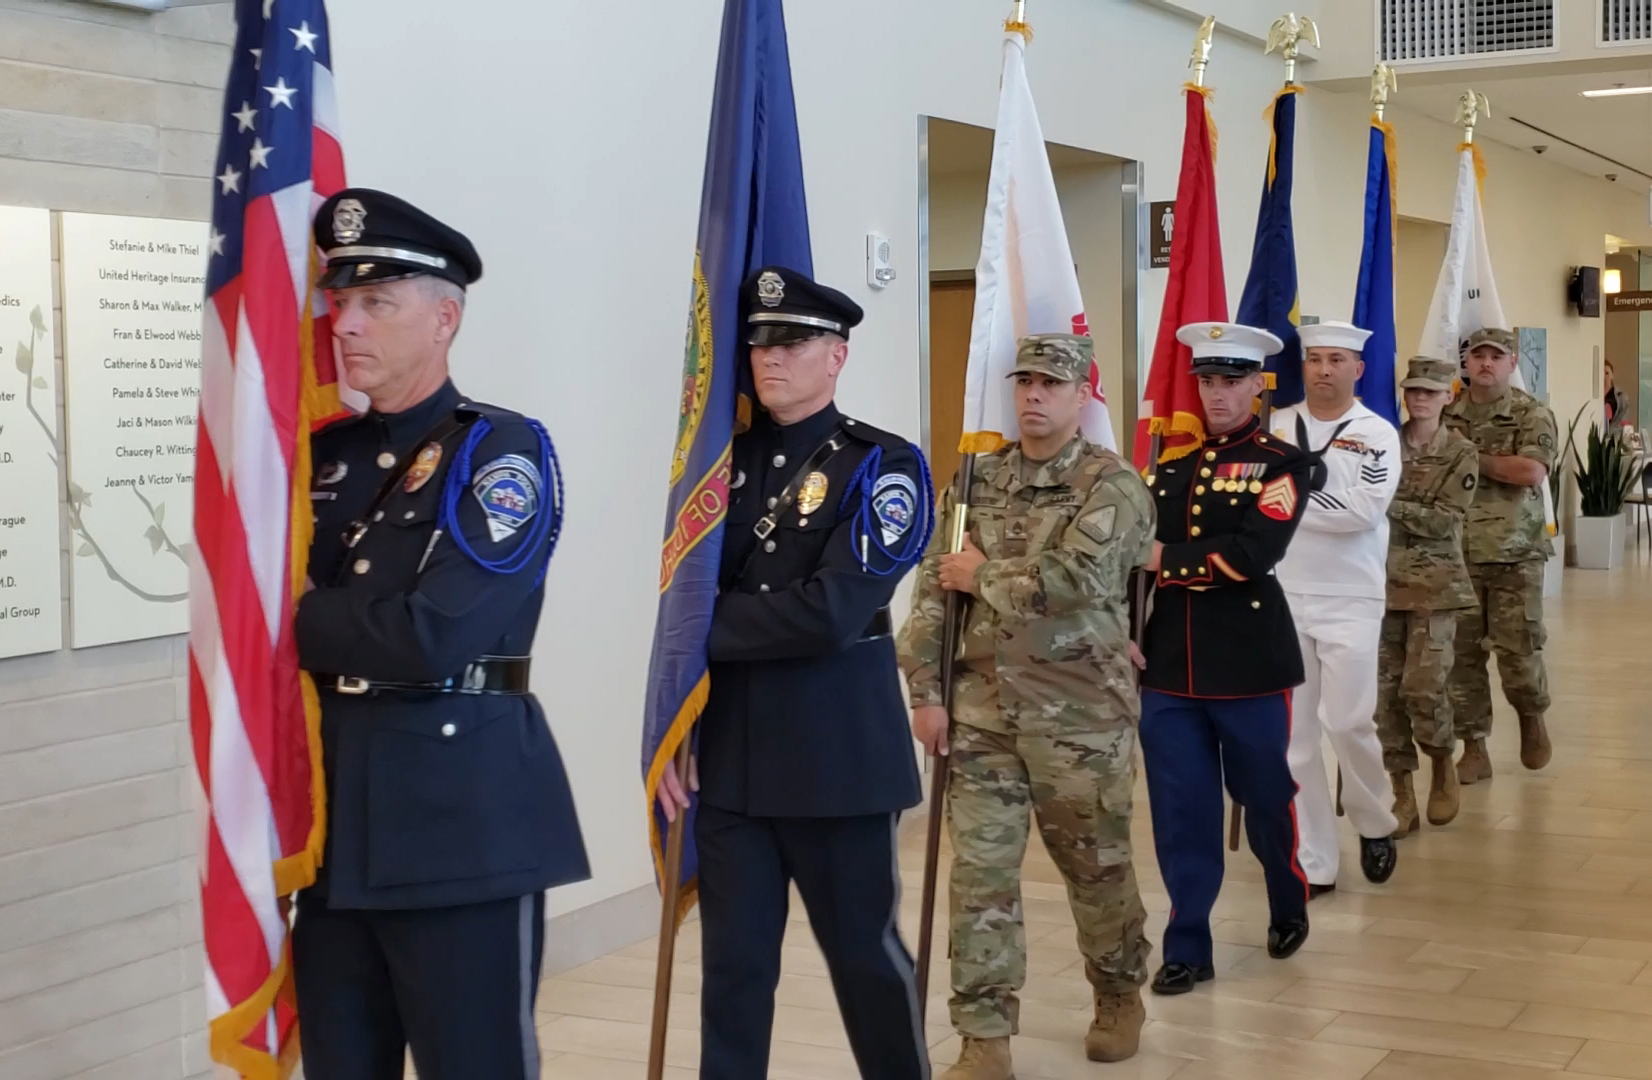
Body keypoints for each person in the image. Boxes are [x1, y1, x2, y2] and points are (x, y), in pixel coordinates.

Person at [292, 188, 589, 1080]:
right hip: (336, 824)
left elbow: (431, 639)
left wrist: (295, 611)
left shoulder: (499, 455)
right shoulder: (322, 457)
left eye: (376, 303)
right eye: (341, 302)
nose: (346, 325)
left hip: (461, 820)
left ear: (444, 318)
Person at [654, 267, 932, 1080]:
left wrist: (699, 631)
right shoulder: (720, 466)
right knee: (734, 976)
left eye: (793, 341)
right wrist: (679, 716)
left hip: (838, 758)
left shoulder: (883, 464)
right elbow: (681, 593)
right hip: (733, 760)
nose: (770, 357)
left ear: (837, 355)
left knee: (866, 965)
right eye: (759, 342)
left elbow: (831, 613)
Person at [897, 334, 1155, 1079]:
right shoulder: (977, 478)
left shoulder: (1114, 485)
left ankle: (1117, 991)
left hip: (1082, 718)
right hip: (983, 711)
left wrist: (984, 575)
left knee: (1096, 868)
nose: (1034, 395)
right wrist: (925, 688)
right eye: (1026, 382)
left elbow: (1078, 579)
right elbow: (932, 583)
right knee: (979, 877)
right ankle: (984, 1037)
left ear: (1083, 396)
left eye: (1052, 383)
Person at [1137, 322, 1317, 996]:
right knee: (1181, 809)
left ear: (1256, 385)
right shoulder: (1168, 470)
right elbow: (1133, 571)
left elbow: (1252, 556)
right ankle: (1188, 944)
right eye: (1207, 380)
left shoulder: (1283, 464)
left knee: (1265, 795)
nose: (1216, 393)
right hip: (1170, 667)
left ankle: (1286, 893)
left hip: (1249, 663)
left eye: (1231, 380)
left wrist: (1162, 559)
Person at [1268, 320, 1400, 896]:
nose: (1324, 369)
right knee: (1295, 737)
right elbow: (1256, 503)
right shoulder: (1274, 427)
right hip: (1282, 594)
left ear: (1358, 369)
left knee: (1349, 723)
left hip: (1352, 595)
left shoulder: (1377, 434)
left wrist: (1287, 499)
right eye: (1315, 358)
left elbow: (1363, 512)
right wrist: (1298, 502)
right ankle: (1315, 858)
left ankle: (1375, 822)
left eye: (1336, 360)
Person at [1442, 327, 1556, 783]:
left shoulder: (1531, 414)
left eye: (1496, 356)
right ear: (1465, 364)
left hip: (1515, 553)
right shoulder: (1445, 414)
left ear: (1512, 363)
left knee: (1518, 652)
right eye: (1477, 356)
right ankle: (1474, 747)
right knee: (1461, 657)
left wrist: (1469, 457)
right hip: (1455, 555)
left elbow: (1530, 471)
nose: (1486, 363)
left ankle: (1531, 717)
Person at [1378, 357, 1479, 836]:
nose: (1418, 398)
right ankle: (1401, 794)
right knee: (1384, 698)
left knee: (1422, 686)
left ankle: (1441, 760)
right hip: (1378, 587)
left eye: (1429, 392)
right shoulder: (1383, 443)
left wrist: (1381, 503)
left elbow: (1443, 520)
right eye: (1412, 390)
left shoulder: (1460, 452)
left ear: (1448, 397)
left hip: (1436, 589)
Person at [1605, 359, 1628, 433]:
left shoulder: (1621, 396)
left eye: (1607, 373)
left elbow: (1623, 418)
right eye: (1601, 373)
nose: (1604, 377)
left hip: (1614, 437)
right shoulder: (1593, 396)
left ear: (1612, 375)